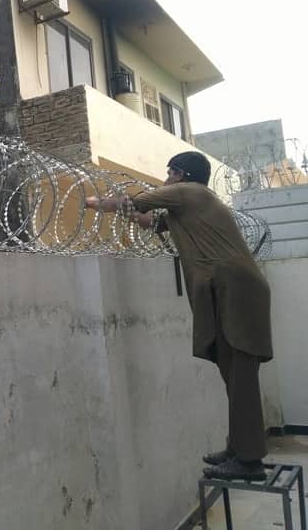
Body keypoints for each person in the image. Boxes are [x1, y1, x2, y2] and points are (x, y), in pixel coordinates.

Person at [85, 151, 273, 482]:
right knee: (234, 374)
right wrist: (125, 210)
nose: (166, 178)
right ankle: (240, 449)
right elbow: (148, 220)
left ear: (181, 174)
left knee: (240, 375)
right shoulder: (187, 207)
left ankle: (249, 461)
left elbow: (135, 201)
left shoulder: (191, 193)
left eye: (169, 172)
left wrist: (93, 201)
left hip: (236, 291)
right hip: (232, 290)